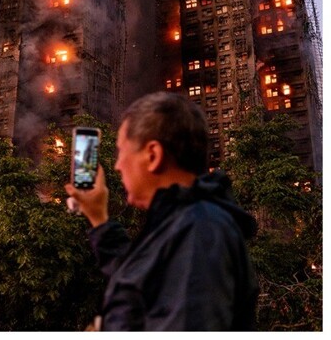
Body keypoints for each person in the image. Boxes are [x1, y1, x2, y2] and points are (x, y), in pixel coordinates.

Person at [65, 92, 258, 331]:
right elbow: (138, 279)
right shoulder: (182, 223)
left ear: (153, 155)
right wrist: (98, 217)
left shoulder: (200, 231)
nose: (116, 166)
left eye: (121, 151)